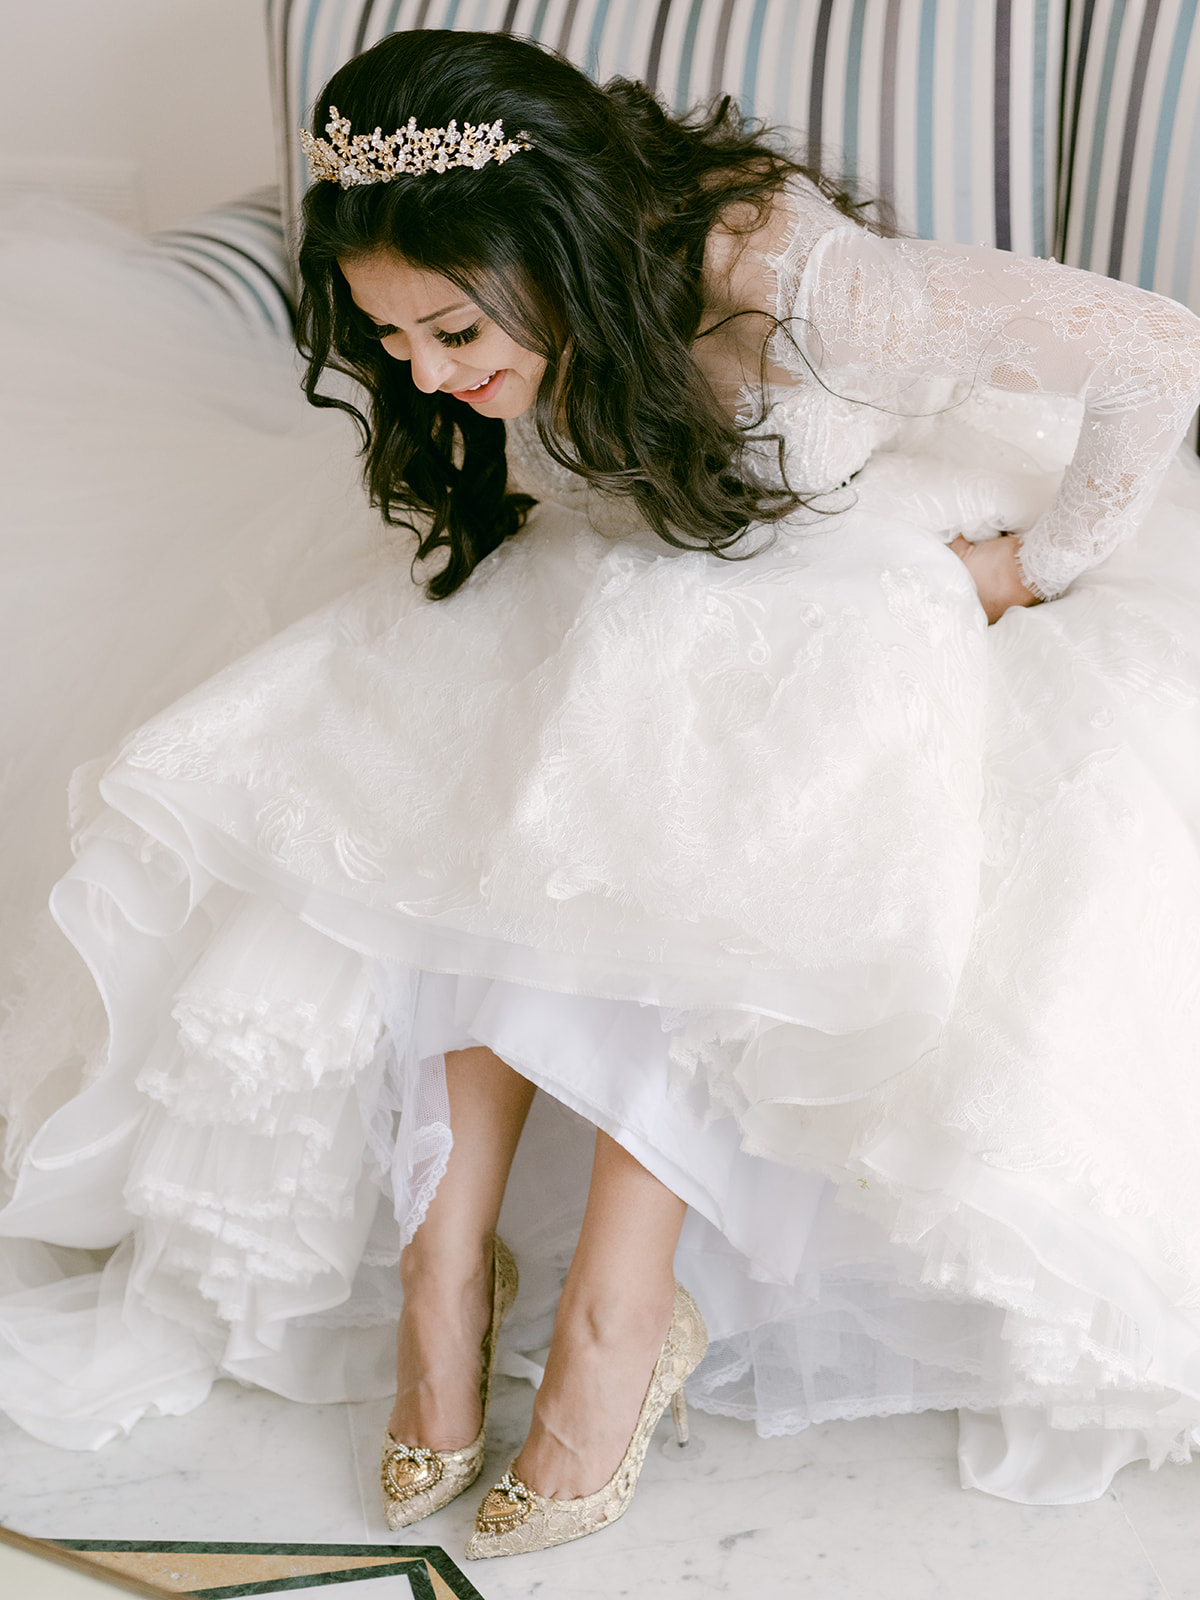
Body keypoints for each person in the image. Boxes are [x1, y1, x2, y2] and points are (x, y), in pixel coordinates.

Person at [3, 24, 1200, 1564]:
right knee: (457, 742)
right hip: (638, 573)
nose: (426, 376)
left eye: (449, 330)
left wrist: (1035, 566)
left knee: (675, 750)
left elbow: (1159, 343)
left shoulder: (814, 297)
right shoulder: (501, 339)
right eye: (390, 339)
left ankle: (617, 1318)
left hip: (842, 566)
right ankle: (451, 1280)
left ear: (555, 245)